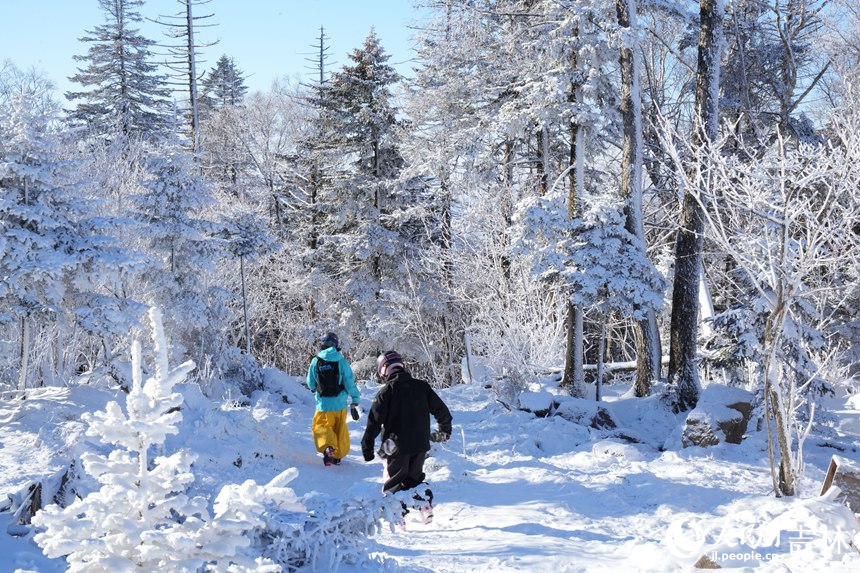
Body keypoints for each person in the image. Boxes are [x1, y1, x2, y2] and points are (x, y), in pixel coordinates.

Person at [361, 350, 453, 512]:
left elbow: (374, 422)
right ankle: (425, 508)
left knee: (394, 483)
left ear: (384, 369)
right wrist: (445, 429)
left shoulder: (386, 392)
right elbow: (442, 411)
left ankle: (396, 517)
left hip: (395, 447)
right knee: (414, 481)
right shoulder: (422, 387)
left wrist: (367, 446)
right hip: (420, 443)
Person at [306, 332, 360, 467]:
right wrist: (355, 399)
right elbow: (349, 383)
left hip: (324, 404)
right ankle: (337, 457)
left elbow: (310, 383)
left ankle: (328, 447)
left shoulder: (316, 361)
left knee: (322, 426)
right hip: (340, 404)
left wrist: (315, 389)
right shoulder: (341, 361)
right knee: (339, 429)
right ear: (336, 345)